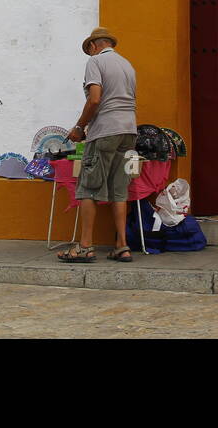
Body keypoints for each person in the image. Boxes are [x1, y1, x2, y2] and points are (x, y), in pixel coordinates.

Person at [58, 26, 138, 263]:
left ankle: (84, 247)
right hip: (128, 131)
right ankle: (122, 246)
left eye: (89, 50)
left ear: (94, 46)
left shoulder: (95, 62)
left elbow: (95, 99)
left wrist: (80, 127)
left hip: (105, 131)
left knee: (88, 189)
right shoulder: (127, 65)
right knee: (119, 191)